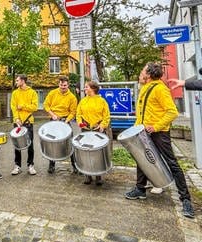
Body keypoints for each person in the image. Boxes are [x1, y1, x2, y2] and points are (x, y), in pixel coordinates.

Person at [124, 62, 195, 219]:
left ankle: (186, 200)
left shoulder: (160, 89)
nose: (140, 74)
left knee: (172, 163)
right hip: (143, 131)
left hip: (158, 133)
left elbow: (172, 112)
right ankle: (140, 189)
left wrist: (155, 127)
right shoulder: (144, 88)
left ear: (148, 74)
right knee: (142, 160)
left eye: (142, 71)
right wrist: (136, 130)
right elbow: (142, 113)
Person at [76, 81, 111, 185]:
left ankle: (98, 175)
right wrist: (80, 123)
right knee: (86, 151)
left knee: (97, 153)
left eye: (86, 87)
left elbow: (107, 116)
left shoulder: (102, 101)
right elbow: (78, 114)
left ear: (93, 89)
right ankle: (88, 175)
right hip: (86, 129)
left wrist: (102, 125)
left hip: (97, 130)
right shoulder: (83, 101)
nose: (84, 88)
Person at [43, 75, 78, 174]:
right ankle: (51, 165)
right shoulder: (52, 93)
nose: (63, 87)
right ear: (59, 84)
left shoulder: (72, 97)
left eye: (65, 85)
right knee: (52, 143)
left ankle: (74, 165)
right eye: (61, 85)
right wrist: (52, 115)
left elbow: (73, 112)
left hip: (65, 121)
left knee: (70, 143)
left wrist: (66, 121)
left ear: (68, 85)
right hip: (53, 120)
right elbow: (46, 105)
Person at [10, 74, 39, 175]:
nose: (16, 82)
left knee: (30, 145)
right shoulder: (14, 93)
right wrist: (16, 119)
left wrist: (22, 106)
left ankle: (30, 165)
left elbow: (35, 107)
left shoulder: (32, 92)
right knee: (17, 145)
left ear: (23, 81)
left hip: (28, 122)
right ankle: (17, 166)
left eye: (17, 80)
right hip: (17, 123)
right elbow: (13, 107)